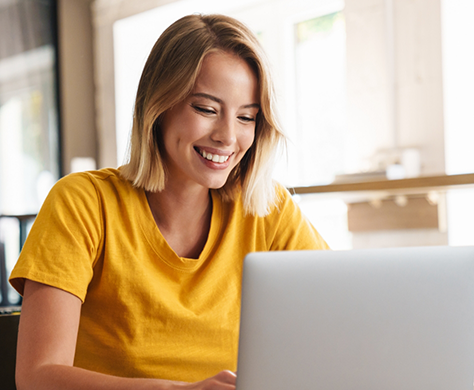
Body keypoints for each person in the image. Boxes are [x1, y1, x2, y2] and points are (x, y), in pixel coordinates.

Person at [9, 13, 328, 390]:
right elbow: (37, 376)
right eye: (206, 109)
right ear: (158, 106)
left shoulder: (268, 210)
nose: (228, 136)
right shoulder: (83, 202)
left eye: (246, 117)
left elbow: (341, 317)